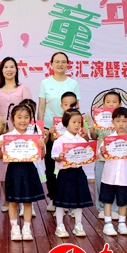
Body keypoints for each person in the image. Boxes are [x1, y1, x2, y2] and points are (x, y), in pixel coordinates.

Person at [38, 52, 80, 211]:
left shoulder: (73, 83)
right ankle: (54, 197)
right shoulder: (45, 83)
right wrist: (42, 129)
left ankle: (69, 199)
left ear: (68, 64)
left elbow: (76, 108)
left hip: (69, 132)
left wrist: (77, 127)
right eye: (57, 61)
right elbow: (41, 108)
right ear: (51, 64)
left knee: (70, 166)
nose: (60, 64)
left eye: (63, 62)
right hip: (51, 131)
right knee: (50, 165)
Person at [0, 104, 46, 241]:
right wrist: (0, 148)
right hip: (13, 170)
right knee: (12, 201)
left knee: (28, 201)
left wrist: (42, 147)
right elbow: (0, 156)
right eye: (19, 117)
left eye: (26, 117)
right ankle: (14, 228)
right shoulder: (5, 137)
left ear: (30, 119)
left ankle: (27, 228)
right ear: (13, 119)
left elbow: (41, 156)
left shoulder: (35, 136)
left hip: (29, 169)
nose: (23, 120)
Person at [0, 57, 32, 212]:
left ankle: (23, 200)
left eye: (12, 67)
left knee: (21, 167)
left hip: (20, 133)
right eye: (6, 67)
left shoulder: (23, 88)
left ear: (16, 70)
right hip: (2, 133)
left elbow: (29, 110)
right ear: (1, 70)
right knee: (3, 168)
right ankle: (8, 199)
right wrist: (0, 128)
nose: (9, 70)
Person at [51, 108, 93, 238]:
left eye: (79, 122)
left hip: (78, 172)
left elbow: (87, 155)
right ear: (66, 123)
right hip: (65, 173)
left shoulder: (82, 140)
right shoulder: (60, 140)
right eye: (74, 122)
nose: (77, 125)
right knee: (61, 200)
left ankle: (78, 224)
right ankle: (59, 225)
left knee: (79, 199)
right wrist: (60, 157)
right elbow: (54, 156)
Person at [100, 107, 127, 236]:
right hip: (109, 176)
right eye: (118, 121)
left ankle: (122, 223)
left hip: (124, 176)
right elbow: (102, 156)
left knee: (123, 200)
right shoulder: (108, 139)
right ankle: (108, 224)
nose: (121, 124)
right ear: (113, 122)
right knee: (107, 200)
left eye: (124, 121)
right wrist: (102, 152)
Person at [90, 91, 121, 220]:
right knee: (100, 182)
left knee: (116, 182)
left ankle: (115, 208)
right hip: (101, 157)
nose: (111, 104)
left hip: (117, 158)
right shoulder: (99, 119)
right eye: (108, 102)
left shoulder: (122, 120)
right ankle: (101, 208)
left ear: (119, 104)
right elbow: (94, 136)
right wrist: (92, 130)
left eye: (114, 102)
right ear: (103, 104)